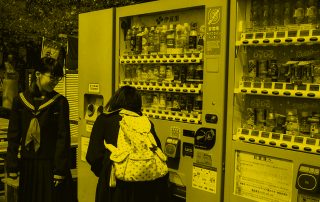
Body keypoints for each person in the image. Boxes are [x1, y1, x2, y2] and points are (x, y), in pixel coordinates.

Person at [6, 57, 76, 202]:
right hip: (28, 165)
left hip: (51, 165)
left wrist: (60, 170)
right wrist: (12, 165)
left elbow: (63, 137)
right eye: (52, 77)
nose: (55, 81)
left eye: (58, 78)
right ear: (38, 74)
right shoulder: (20, 101)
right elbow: (13, 135)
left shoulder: (60, 102)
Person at [86, 85, 170, 202]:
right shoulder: (146, 122)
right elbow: (157, 148)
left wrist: (105, 171)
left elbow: (93, 156)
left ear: (115, 100)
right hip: (145, 184)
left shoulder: (104, 120)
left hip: (114, 185)